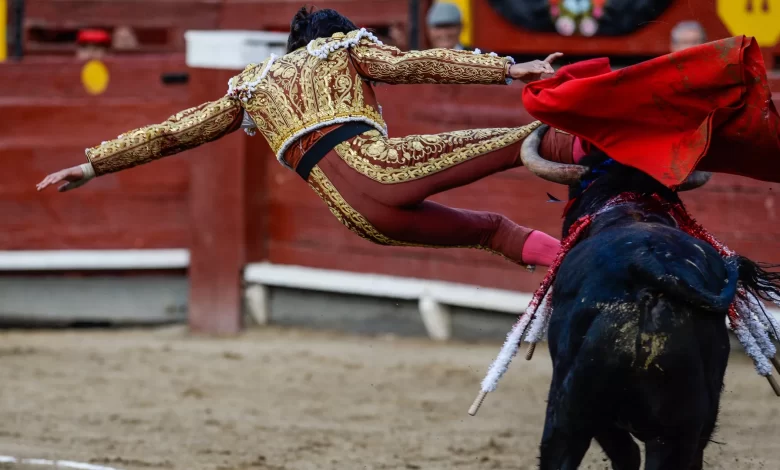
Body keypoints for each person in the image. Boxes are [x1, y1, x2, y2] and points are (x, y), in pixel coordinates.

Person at [37, 6, 577, 269]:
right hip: (383, 167)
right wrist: (508, 69)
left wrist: (93, 164)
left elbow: (173, 132)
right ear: (338, 34)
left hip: (358, 215)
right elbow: (409, 64)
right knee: (525, 140)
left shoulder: (251, 86)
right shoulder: (344, 48)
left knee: (492, 232)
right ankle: (610, 151)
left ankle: (569, 267)